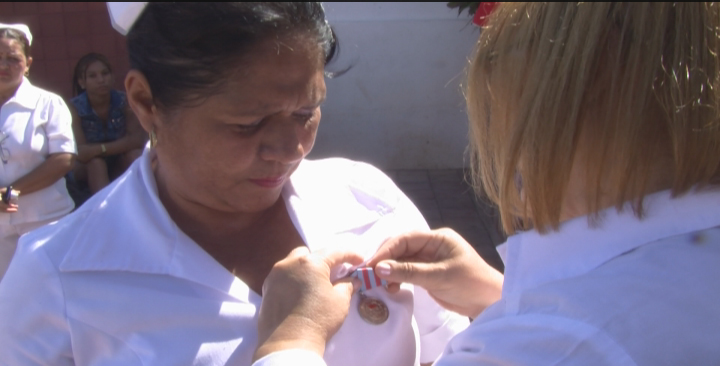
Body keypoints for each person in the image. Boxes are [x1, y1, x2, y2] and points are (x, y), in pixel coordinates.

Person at [252, 2, 720, 366]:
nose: (291, 148)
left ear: (571, 112)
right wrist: (498, 296)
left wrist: (290, 339)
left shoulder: (552, 343)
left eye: (506, 125)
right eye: (244, 123)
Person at [0, 3, 468, 365]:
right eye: (248, 123)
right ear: (146, 102)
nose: (290, 149)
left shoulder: (369, 201)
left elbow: (446, 350)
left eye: (306, 113)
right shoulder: (57, 277)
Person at [0, 23, 76, 281]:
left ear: (28, 63)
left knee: (55, 290)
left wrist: (12, 192)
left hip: (45, 220)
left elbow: (64, 158)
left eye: (13, 59)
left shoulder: (48, 103)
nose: (4, 66)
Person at [68, 52, 145, 196]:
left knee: (136, 155)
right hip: (86, 167)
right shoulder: (74, 108)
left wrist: (100, 149)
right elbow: (82, 153)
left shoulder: (125, 101)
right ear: (81, 82)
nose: (101, 80)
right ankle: (104, 210)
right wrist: (120, 145)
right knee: (96, 164)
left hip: (117, 160)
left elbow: (136, 140)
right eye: (93, 76)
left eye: (105, 74)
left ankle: (144, 203)